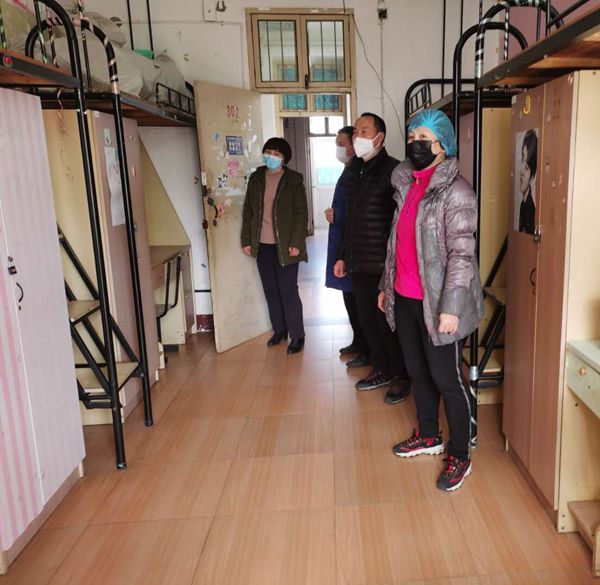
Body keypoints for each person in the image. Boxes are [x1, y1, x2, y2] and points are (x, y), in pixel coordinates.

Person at [378, 109, 484, 491]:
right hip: (406, 296)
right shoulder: (406, 185)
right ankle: (428, 434)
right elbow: (396, 243)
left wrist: (451, 309)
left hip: (439, 303)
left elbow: (461, 255)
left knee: (447, 379)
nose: (415, 144)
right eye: (411, 137)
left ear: (443, 144)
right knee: (418, 371)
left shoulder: (457, 192)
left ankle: (460, 453)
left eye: (423, 137)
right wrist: (385, 286)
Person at [334, 113, 411, 405]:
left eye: (364, 131)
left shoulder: (395, 171)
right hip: (359, 261)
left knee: (387, 324)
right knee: (368, 321)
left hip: (384, 264)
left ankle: (402, 375)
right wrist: (342, 255)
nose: (358, 137)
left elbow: (401, 223)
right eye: (355, 132)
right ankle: (381, 368)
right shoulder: (354, 170)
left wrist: (395, 265)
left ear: (380, 137)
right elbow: (350, 219)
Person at [241, 137, 308, 355]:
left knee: (288, 290)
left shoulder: (293, 180)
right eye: (269, 152)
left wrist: (296, 242)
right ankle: (279, 330)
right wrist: (246, 240)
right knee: (270, 289)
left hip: (286, 246)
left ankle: (297, 334)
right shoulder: (256, 178)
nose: (271, 156)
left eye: (277, 154)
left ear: (284, 159)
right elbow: (248, 212)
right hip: (262, 245)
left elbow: (301, 214)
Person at [324, 126, 369, 362]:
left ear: (353, 145)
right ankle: (357, 341)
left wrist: (338, 215)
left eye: (342, 144)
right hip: (343, 241)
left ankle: (365, 348)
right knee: (349, 298)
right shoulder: (349, 169)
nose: (339, 149)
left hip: (353, 244)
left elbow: (359, 209)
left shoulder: (360, 171)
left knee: (359, 302)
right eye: (337, 145)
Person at [518, 129, 537, 235]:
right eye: (522, 159)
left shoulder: (530, 213)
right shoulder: (523, 205)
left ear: (532, 177)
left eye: (526, 167)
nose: (521, 170)